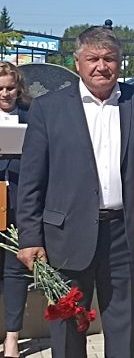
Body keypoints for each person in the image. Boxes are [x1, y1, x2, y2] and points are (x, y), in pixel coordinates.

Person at [16, 26, 134, 357]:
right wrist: (30, 237)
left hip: (124, 235)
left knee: (124, 327)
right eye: (93, 58)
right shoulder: (48, 108)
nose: (102, 66)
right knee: (67, 327)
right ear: (77, 62)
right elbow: (31, 181)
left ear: (120, 63)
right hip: (65, 235)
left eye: (109, 58)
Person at [0, 62, 32, 358]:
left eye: (10, 88)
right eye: (0, 89)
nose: (5, 93)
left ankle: (12, 337)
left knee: (15, 272)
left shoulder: (30, 117)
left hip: (19, 205)